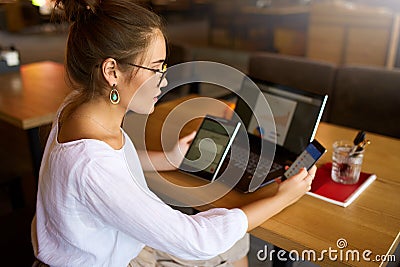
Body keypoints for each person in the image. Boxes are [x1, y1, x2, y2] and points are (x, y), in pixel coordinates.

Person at [31, 0, 316, 266]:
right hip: (112, 259)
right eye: (156, 68)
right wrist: (283, 198)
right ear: (111, 71)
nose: (164, 79)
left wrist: (167, 158)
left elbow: (110, 164)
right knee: (233, 239)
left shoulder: (79, 106)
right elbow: (198, 240)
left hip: (102, 242)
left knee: (232, 234)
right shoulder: (93, 166)